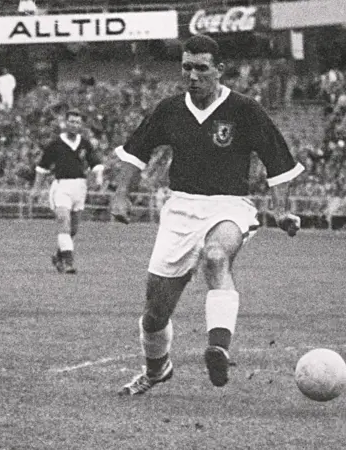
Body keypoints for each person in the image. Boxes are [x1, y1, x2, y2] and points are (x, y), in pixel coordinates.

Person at [110, 35, 304, 395]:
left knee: (216, 258)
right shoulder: (169, 109)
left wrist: (281, 211)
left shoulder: (245, 110)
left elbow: (279, 162)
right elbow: (136, 152)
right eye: (187, 67)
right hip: (181, 208)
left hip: (230, 205)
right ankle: (156, 369)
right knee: (154, 315)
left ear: (219, 70)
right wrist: (121, 195)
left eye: (202, 68)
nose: (193, 75)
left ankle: (217, 347)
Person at [31, 109, 104, 274]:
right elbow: (42, 167)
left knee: (73, 229)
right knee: (63, 221)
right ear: (65, 123)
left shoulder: (85, 143)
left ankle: (59, 256)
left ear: (81, 125)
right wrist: (36, 188)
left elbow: (96, 164)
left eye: (77, 122)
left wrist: (98, 179)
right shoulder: (55, 144)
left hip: (80, 187)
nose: (74, 125)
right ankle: (69, 263)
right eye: (71, 121)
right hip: (61, 186)